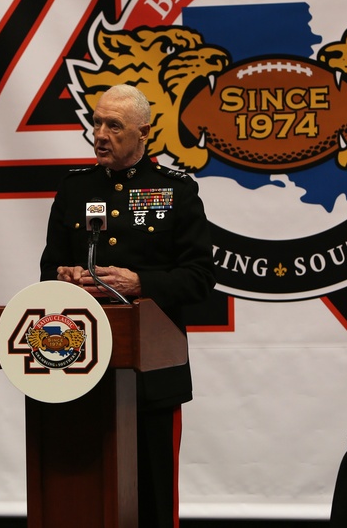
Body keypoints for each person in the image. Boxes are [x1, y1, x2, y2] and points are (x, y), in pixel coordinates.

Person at [39, 84, 216, 527]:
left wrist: (143, 283)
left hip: (152, 374)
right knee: (88, 496)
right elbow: (47, 271)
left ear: (143, 132)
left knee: (153, 497)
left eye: (113, 126)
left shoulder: (174, 190)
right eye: (96, 122)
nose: (100, 133)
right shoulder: (75, 188)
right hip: (82, 366)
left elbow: (200, 279)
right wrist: (66, 278)